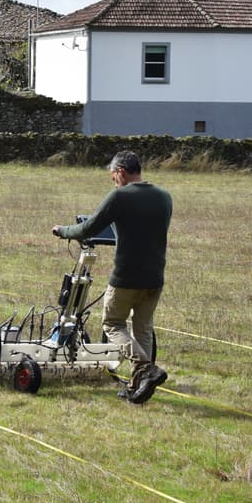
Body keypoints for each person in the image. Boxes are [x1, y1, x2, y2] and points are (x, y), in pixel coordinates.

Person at [51, 150, 172, 404]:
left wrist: (63, 231)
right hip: (155, 277)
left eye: (113, 177)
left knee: (113, 324)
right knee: (143, 329)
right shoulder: (164, 197)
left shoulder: (120, 196)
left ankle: (146, 369)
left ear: (120, 172)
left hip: (126, 276)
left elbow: (88, 228)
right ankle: (139, 387)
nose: (113, 182)